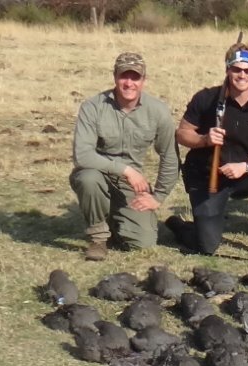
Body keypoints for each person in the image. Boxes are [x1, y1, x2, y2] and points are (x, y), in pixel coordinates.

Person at [167, 42, 248, 261]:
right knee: (206, 247)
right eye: (236, 69)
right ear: (227, 69)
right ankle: (179, 226)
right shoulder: (206, 98)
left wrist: (246, 167)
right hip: (206, 179)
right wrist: (204, 139)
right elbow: (181, 134)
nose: (242, 75)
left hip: (238, 175)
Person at [70, 52, 178, 261]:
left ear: (144, 80)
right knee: (88, 179)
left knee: (143, 242)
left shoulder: (158, 110)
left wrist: (159, 197)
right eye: (123, 76)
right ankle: (99, 238)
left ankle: (113, 217)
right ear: (115, 77)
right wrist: (127, 170)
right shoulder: (93, 107)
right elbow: (82, 156)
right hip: (98, 173)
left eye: (135, 77)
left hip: (130, 186)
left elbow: (170, 156)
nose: (129, 83)